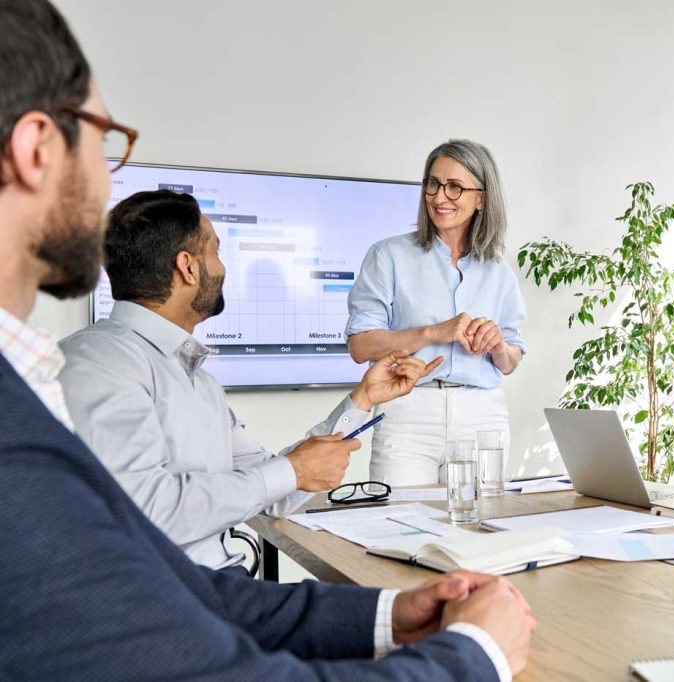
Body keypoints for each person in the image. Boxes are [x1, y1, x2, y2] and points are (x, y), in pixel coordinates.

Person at [0, 2, 534, 679]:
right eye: (105, 140)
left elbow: (264, 501)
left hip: (236, 593)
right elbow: (171, 521)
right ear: (37, 147)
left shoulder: (186, 374)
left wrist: (361, 406)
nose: (107, 175)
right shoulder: (93, 368)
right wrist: (473, 656)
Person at [58, 189, 443, 570]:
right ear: (188, 267)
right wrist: (292, 470)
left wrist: (362, 400)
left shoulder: (196, 381)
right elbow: (147, 511)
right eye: (216, 252)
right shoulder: (99, 363)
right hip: (169, 602)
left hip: (220, 586)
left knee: (396, 608)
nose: (223, 269)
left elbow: (276, 489)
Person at [345, 139, 527, 485]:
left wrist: (499, 347)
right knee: (401, 530)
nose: (440, 197)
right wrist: (431, 332)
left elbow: (512, 360)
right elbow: (359, 346)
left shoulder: (499, 270)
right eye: (433, 183)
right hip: (410, 412)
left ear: (482, 198)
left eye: (455, 187)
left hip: (482, 416)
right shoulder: (388, 256)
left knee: (479, 532)